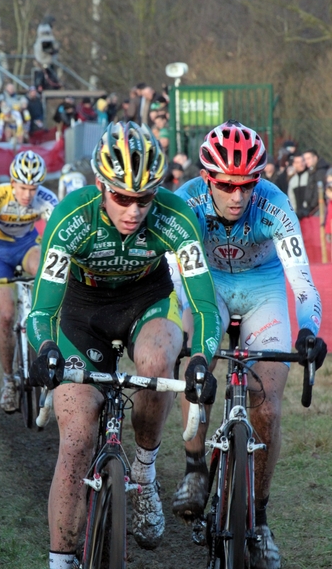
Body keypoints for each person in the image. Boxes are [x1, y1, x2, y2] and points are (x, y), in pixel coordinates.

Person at [26, 121, 222, 568]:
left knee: (156, 360)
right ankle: (60, 560)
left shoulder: (174, 216)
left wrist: (200, 361)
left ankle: (146, 473)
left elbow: (206, 306)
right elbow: (40, 311)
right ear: (101, 185)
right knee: (76, 438)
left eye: (145, 198)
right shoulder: (72, 217)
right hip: (82, 312)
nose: (134, 210)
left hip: (145, 302)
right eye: (121, 197)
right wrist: (45, 349)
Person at [169, 120, 326, 569]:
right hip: (208, 287)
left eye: (247, 185)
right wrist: (193, 325)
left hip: (264, 290)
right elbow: (180, 274)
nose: (238, 196)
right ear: (206, 178)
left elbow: (301, 281)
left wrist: (309, 330)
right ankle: (196, 467)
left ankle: (258, 518)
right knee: (195, 367)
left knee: (268, 406)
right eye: (226, 185)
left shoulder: (275, 205)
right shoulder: (187, 202)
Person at [0, 150, 58, 412]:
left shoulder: (46, 199)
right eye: (22, 187)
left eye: (33, 188)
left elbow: (60, 233)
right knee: (7, 316)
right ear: (12, 182)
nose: (27, 194)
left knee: (44, 268)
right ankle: (8, 380)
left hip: (26, 246)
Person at [287, 152, 319, 219]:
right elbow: (292, 200)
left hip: (311, 214)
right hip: (298, 217)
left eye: (302, 161)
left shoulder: (310, 176)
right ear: (294, 164)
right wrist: (294, 214)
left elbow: (314, 194)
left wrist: (309, 208)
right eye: (298, 162)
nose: (301, 164)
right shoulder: (292, 181)